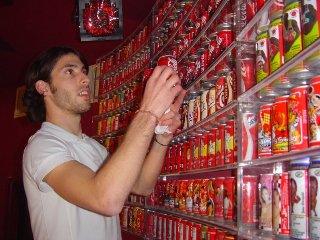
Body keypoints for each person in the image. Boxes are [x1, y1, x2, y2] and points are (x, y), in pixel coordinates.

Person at [22, 46, 186, 240]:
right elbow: (106, 200)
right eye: (69, 71)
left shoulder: (95, 148)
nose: (85, 79)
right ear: (44, 87)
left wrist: (161, 139)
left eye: (84, 71)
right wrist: (148, 113)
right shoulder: (41, 146)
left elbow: (142, 185)